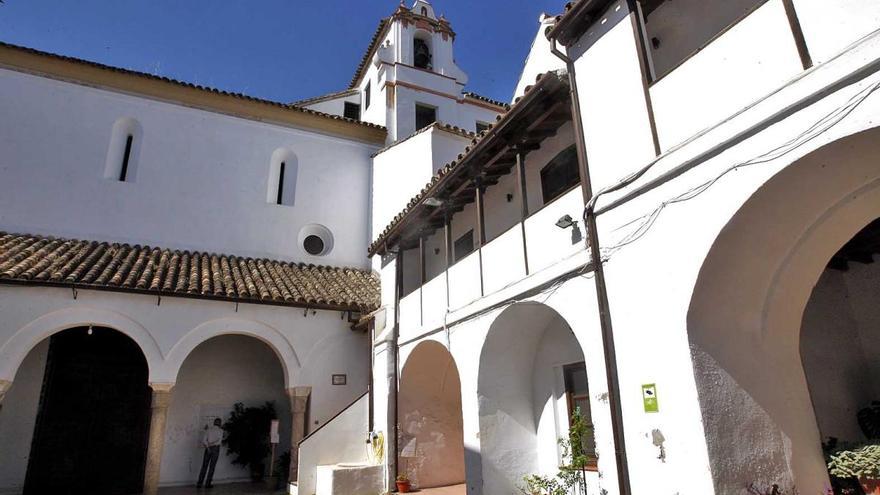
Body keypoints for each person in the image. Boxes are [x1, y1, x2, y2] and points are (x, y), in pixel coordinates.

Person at [196, 418, 223, 489]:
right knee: (212, 467)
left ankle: (199, 483)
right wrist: (212, 445)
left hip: (207, 449)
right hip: (216, 449)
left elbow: (204, 441)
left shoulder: (208, 430)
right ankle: (208, 484)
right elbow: (218, 442)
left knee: (204, 466)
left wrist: (208, 448)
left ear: (214, 423)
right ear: (220, 423)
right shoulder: (221, 431)